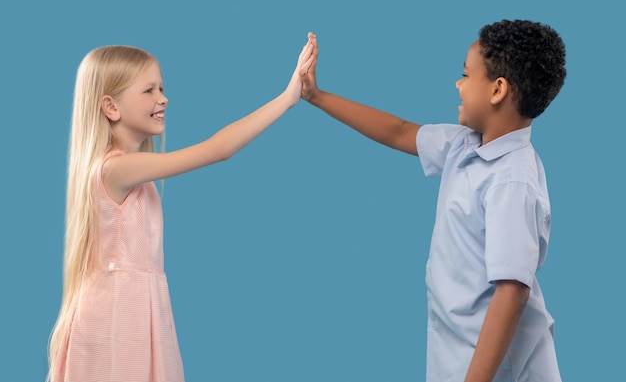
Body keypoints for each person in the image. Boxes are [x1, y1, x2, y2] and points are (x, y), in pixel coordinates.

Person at [300, 20, 566, 382]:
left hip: (499, 370)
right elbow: (400, 131)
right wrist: (317, 95)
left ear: (498, 90)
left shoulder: (513, 182)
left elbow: (512, 293)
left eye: (466, 75)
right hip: (458, 356)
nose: (458, 84)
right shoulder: (465, 145)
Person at [47, 37, 314, 382]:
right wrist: (286, 98)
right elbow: (218, 149)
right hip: (117, 321)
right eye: (149, 91)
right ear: (111, 107)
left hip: (138, 313)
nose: (163, 98)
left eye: (162, 87)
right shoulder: (115, 170)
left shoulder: (127, 169)